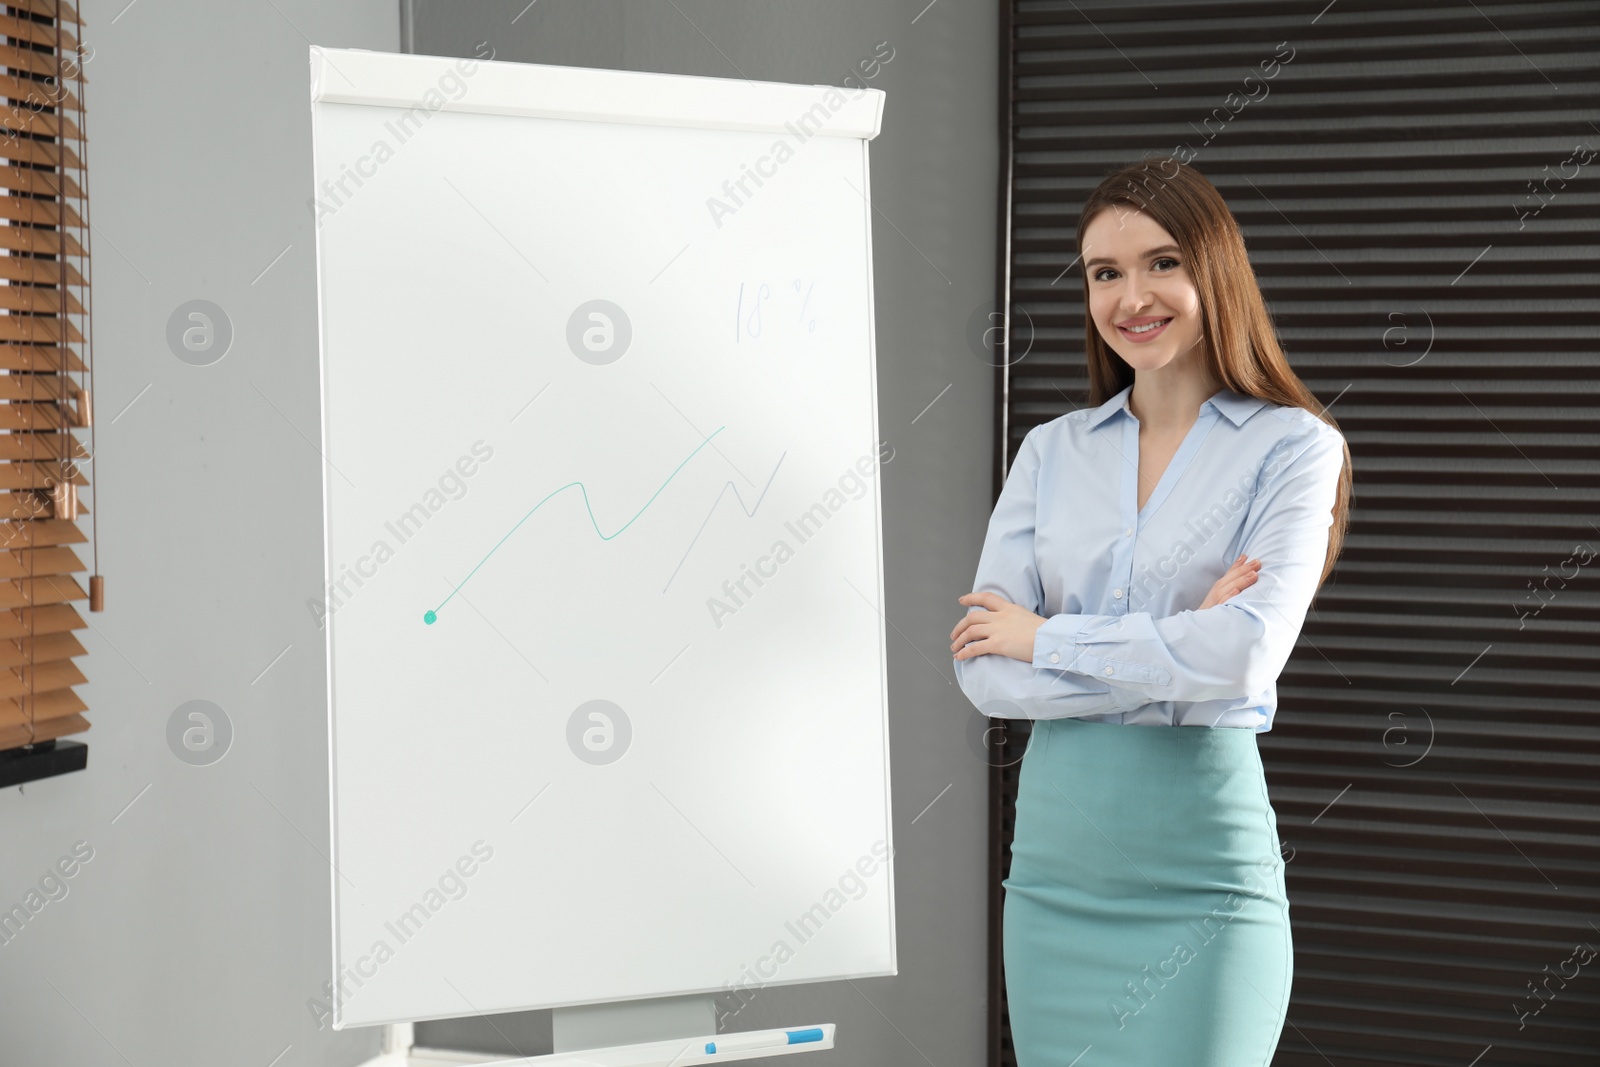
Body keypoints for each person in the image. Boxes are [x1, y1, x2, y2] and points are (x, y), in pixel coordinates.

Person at [950, 156, 1353, 1065]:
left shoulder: (1294, 447)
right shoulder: (1050, 453)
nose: (1133, 295)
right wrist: (1175, 654)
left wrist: (1048, 636)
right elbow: (985, 673)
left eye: (1162, 262)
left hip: (1206, 883)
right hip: (1055, 882)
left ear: (1215, 268)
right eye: (1105, 272)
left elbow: (1243, 660)